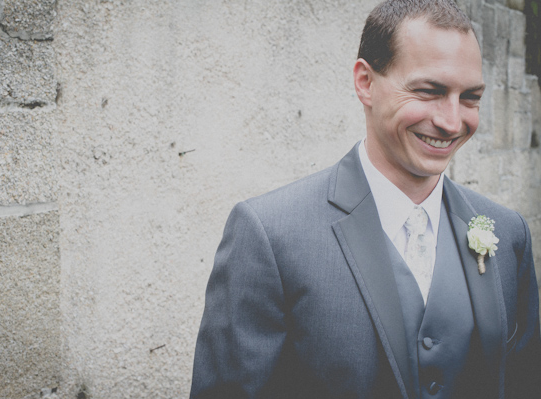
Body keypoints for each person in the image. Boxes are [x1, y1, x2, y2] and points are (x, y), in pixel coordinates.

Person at [190, 0, 541, 398]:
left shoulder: (508, 232)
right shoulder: (269, 235)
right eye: (429, 91)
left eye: (471, 98)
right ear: (365, 82)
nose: (451, 121)